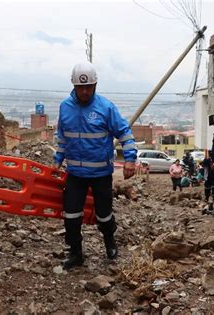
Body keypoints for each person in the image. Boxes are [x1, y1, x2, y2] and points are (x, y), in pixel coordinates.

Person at [53, 62, 137, 269]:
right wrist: (57, 161)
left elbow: (125, 133)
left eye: (88, 87)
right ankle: (75, 253)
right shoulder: (65, 107)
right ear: (73, 86)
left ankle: (110, 242)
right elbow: (63, 137)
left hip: (100, 174)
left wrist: (130, 159)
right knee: (71, 216)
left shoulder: (106, 107)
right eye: (80, 87)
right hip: (75, 174)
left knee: (104, 215)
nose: (84, 91)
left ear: (95, 85)